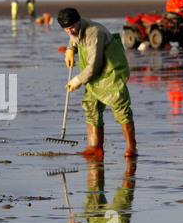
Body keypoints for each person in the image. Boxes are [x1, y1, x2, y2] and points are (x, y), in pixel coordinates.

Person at [57, 8, 138, 158]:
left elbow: (94, 66)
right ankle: (95, 147)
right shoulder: (76, 30)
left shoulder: (94, 33)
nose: (70, 31)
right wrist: (70, 49)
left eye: (72, 27)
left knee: (120, 106)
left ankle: (131, 148)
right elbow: (74, 38)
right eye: (66, 29)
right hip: (93, 76)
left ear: (79, 21)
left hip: (110, 71)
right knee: (91, 106)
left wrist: (77, 80)